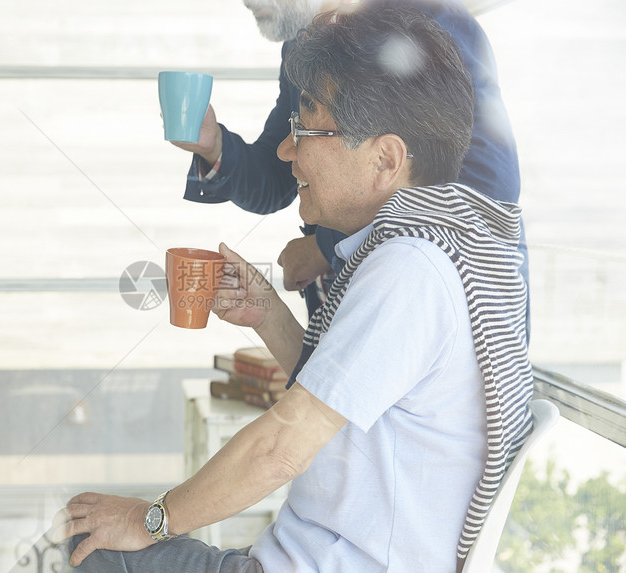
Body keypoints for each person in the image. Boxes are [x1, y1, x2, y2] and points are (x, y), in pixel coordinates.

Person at [51, 7, 533, 572]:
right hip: (317, 553)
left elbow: (281, 449)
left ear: (385, 158)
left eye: (305, 130)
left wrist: (146, 519)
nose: (287, 149)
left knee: (88, 547)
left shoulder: (411, 272)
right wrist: (268, 314)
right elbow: (361, 409)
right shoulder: (411, 258)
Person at [172, 0, 527, 318]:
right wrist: (213, 145)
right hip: (345, 303)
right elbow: (281, 170)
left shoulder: (432, 20)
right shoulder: (307, 42)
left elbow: (488, 190)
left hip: (440, 304)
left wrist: (324, 248)